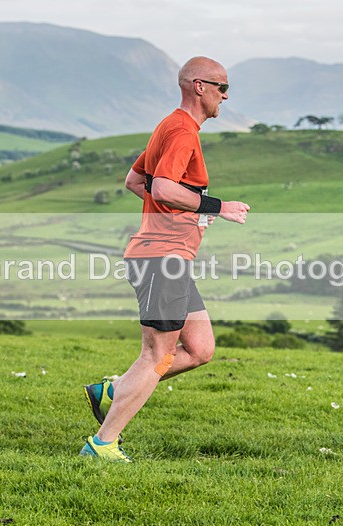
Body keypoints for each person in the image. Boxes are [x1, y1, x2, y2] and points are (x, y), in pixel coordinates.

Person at [80, 56, 250, 462]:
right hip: (161, 259)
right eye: (221, 87)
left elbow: (135, 181)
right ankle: (102, 444)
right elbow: (165, 188)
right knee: (157, 355)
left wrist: (184, 214)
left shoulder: (171, 126)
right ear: (198, 86)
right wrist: (215, 206)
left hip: (170, 258)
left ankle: (112, 390)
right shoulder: (181, 132)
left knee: (201, 349)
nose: (226, 96)